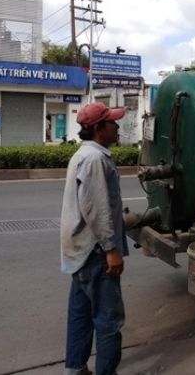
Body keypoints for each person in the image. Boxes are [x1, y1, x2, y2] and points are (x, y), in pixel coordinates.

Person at [60, 102, 128, 375]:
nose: (117, 126)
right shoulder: (95, 159)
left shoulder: (85, 154)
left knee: (80, 314)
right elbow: (96, 209)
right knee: (108, 321)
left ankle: (74, 369)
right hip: (95, 253)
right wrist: (111, 248)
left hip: (80, 252)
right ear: (99, 128)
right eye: (112, 122)